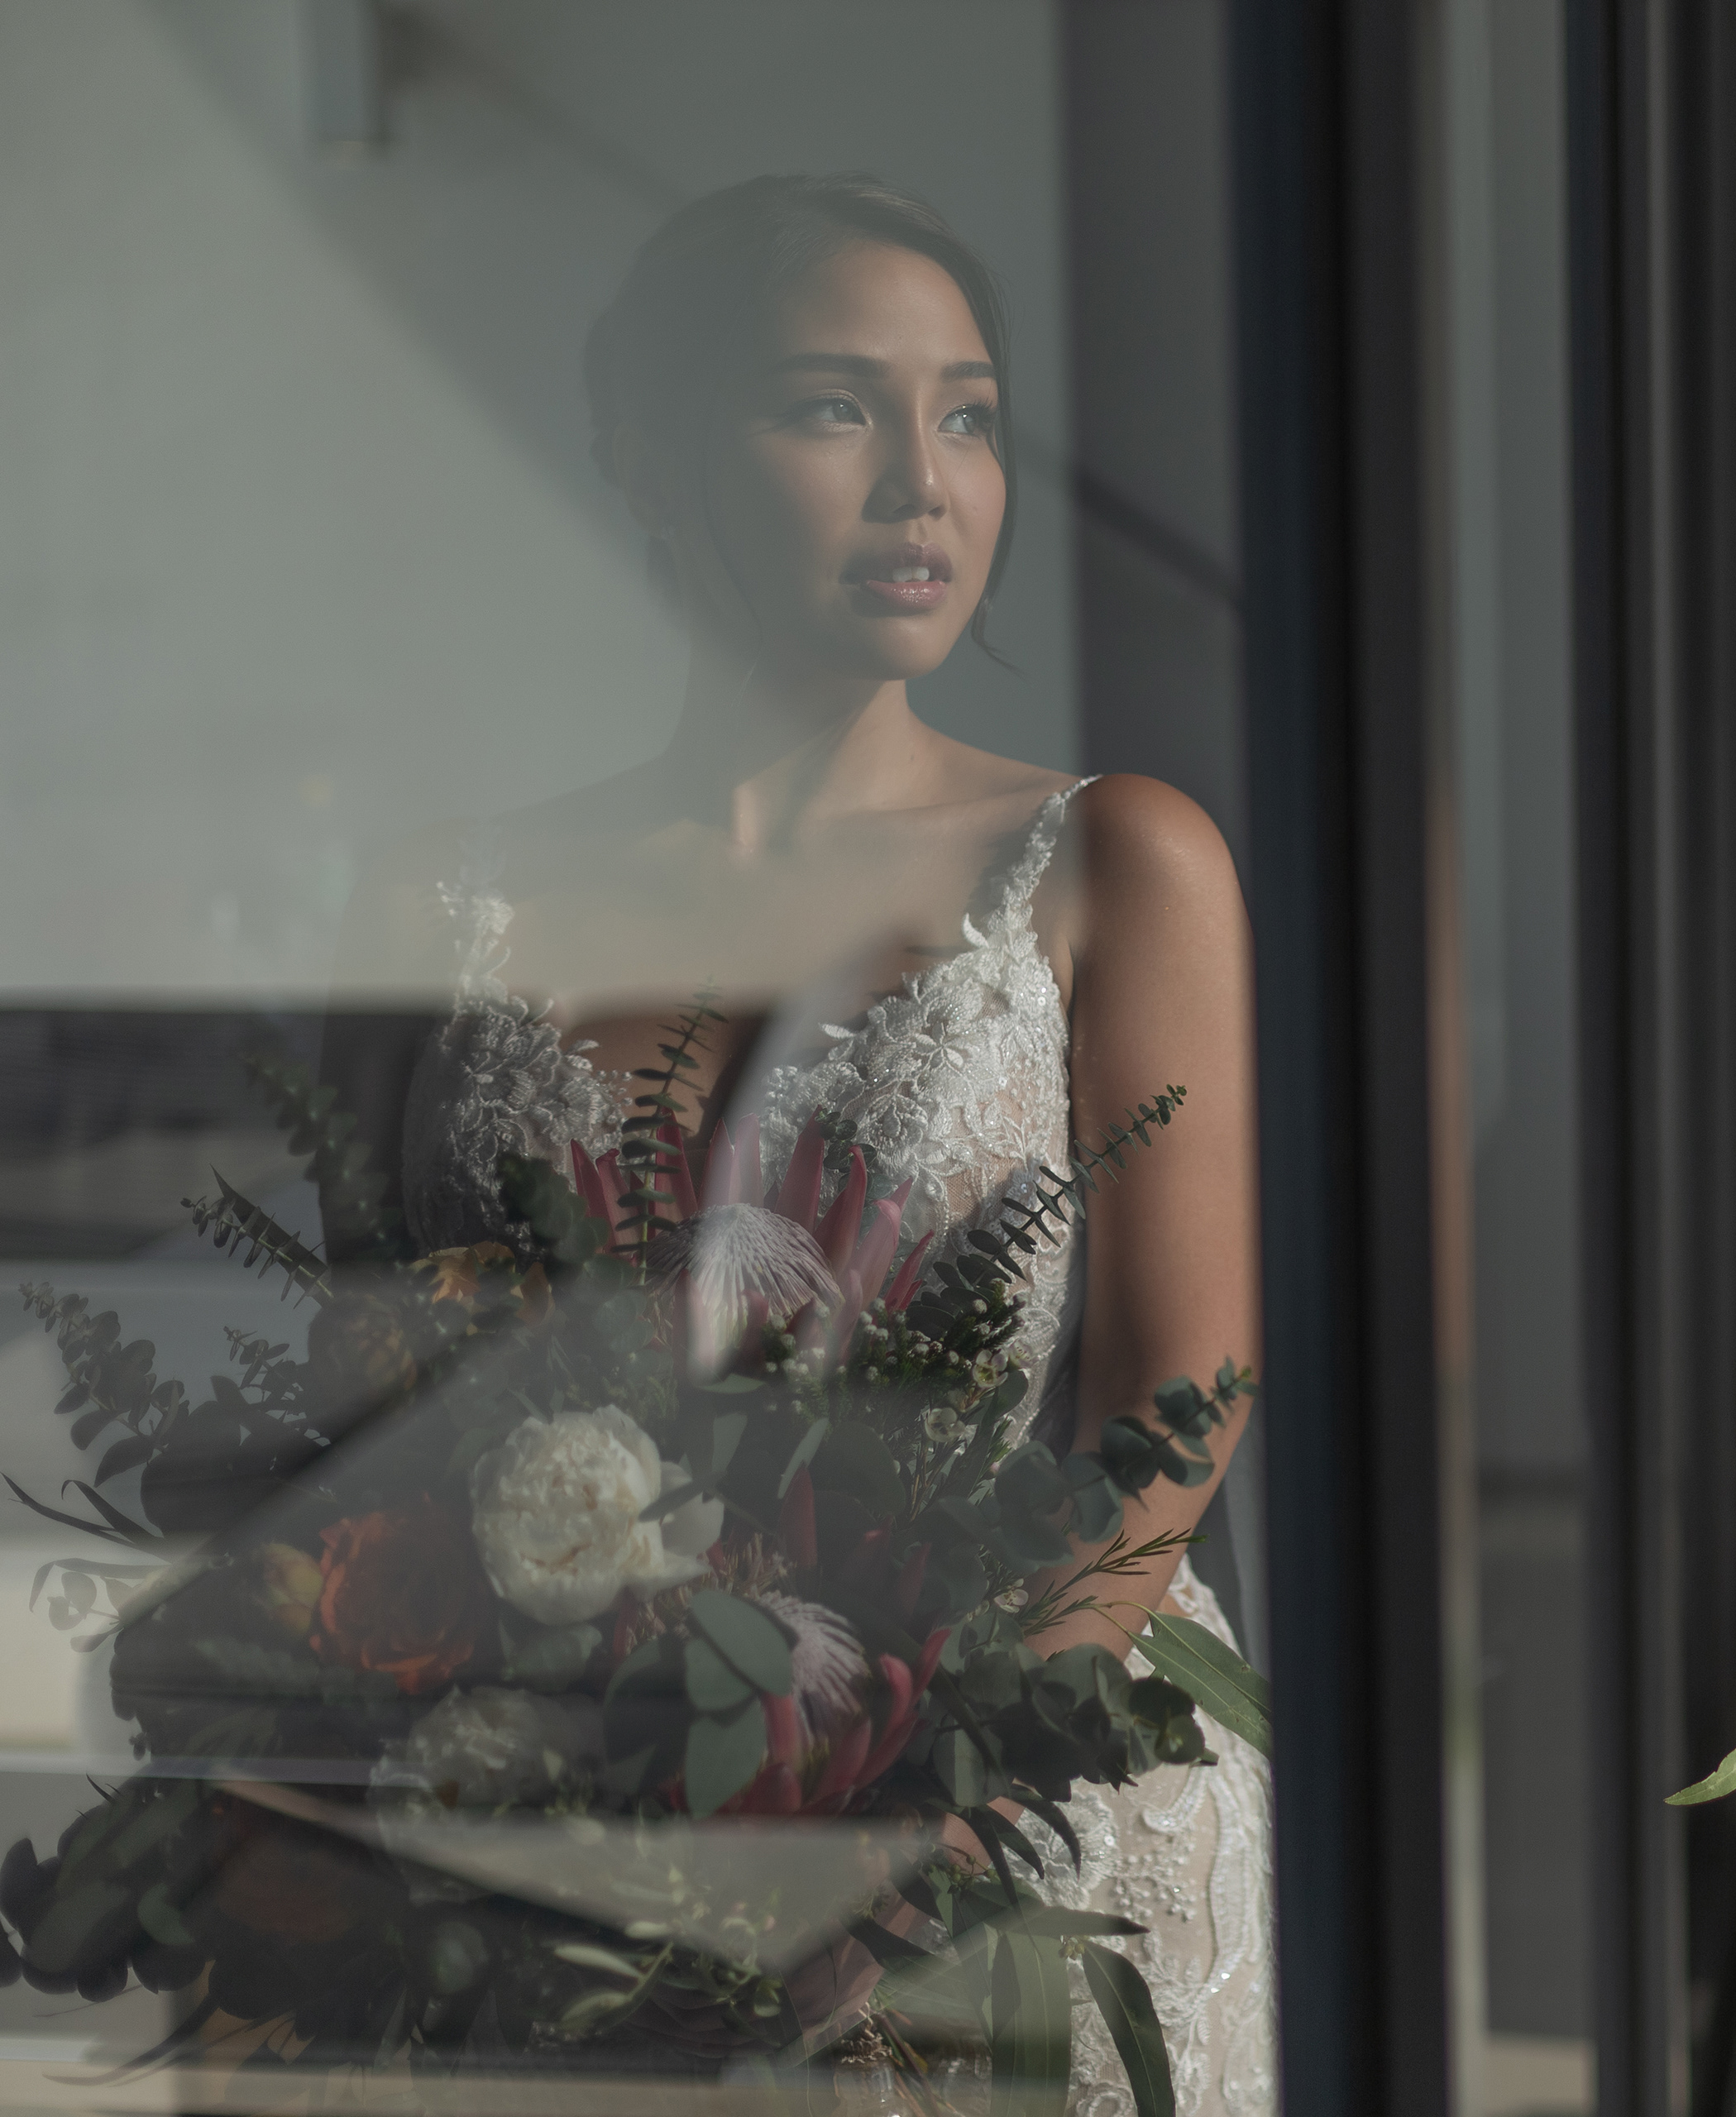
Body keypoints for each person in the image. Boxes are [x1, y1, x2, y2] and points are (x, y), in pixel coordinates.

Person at [323, 175, 1272, 2114]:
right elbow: (362, 1402)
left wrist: (920, 1780)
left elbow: (1179, 1391)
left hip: (1021, 1813)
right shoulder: (440, 897)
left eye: (972, 412)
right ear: (650, 458)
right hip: (561, 1823)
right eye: (834, 407)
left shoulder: (1112, 861)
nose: (925, 481)